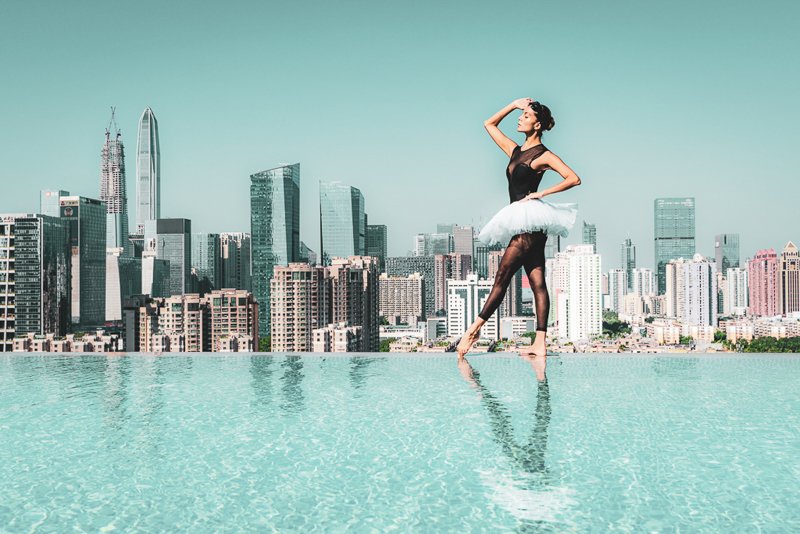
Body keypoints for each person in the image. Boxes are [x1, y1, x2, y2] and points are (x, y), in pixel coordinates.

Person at [456, 98, 582, 365]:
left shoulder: (543, 155)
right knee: (537, 282)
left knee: (502, 276)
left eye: (526, 115)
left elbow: (573, 178)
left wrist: (541, 193)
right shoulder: (515, 151)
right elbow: (489, 124)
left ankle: (473, 331)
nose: (520, 118)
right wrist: (513, 105)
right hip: (526, 221)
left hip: (529, 220)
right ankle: (540, 344)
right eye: (521, 114)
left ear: (537, 125)